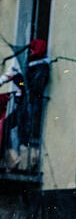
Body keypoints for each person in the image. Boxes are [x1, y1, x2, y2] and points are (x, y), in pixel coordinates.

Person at [0, 39, 50, 171]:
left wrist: (21, 81)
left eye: (32, 49)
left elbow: (34, 86)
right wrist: (19, 82)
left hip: (32, 103)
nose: (30, 52)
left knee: (25, 130)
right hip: (24, 103)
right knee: (7, 124)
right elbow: (23, 85)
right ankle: (11, 157)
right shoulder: (31, 66)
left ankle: (26, 161)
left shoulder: (42, 67)